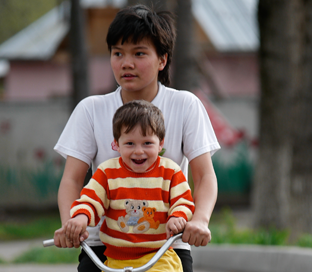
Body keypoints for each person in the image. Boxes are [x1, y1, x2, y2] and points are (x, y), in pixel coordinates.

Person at [53, 4, 220, 272]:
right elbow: (72, 179)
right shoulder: (91, 109)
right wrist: (71, 225)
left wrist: (199, 221)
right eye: (118, 53)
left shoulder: (185, 105)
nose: (126, 63)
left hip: (168, 244)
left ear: (162, 59)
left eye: (139, 53)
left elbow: (204, 177)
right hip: (104, 246)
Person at [64, 100, 195, 271]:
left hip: (159, 256)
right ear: (117, 144)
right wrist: (81, 217)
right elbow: (90, 200)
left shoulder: (170, 171)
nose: (139, 151)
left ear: (160, 143)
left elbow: (183, 201)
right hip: (115, 259)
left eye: (147, 143)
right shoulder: (107, 172)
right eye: (130, 143)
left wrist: (177, 217)